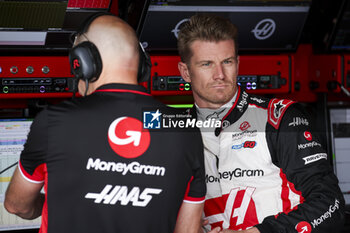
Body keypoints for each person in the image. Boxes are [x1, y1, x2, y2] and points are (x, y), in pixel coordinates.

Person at [5, 14, 206, 233]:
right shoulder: (183, 128)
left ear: (83, 62)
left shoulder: (54, 122)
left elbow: (16, 205)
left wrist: (62, 205)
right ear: (143, 65)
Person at [177, 14, 345, 233]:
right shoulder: (175, 132)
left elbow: (330, 204)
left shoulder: (280, 118)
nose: (220, 75)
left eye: (227, 62)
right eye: (207, 64)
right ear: (185, 72)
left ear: (237, 63)